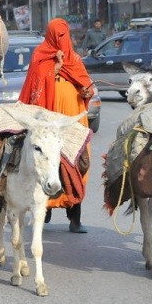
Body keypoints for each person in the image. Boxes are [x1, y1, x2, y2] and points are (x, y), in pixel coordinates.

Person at [18, 18, 94, 233]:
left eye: (64, 36)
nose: (61, 40)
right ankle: (45, 212)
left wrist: (87, 92)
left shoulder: (75, 60)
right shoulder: (40, 57)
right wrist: (56, 68)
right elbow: (35, 88)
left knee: (79, 166)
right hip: (50, 125)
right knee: (48, 165)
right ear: (50, 35)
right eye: (57, 36)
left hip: (75, 123)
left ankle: (75, 218)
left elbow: (85, 85)